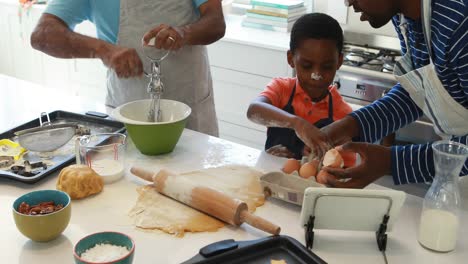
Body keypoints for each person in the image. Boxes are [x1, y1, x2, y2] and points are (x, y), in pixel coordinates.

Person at [297, 0, 468, 188]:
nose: (348, 2)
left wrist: (392, 162)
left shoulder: (460, 23)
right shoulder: (405, 18)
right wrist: (351, 126)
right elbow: (419, 92)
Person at [30, 0, 225, 137]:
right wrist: (103, 50)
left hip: (190, 106)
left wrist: (184, 33)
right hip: (127, 108)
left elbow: (216, 22)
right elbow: (43, 35)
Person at [247, 13, 355, 166]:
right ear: (291, 59)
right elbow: (254, 111)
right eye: (306, 65)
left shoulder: (343, 116)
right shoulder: (281, 89)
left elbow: (345, 169)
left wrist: (323, 162)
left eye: (326, 67)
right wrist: (298, 124)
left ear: (339, 62)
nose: (316, 75)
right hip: (270, 179)